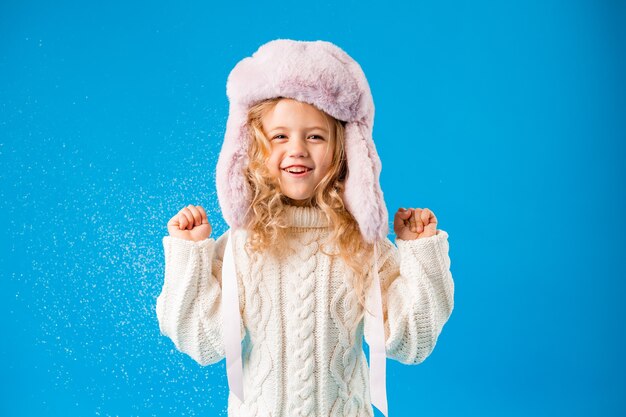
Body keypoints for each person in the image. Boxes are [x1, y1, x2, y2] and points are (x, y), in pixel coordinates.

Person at [156, 39, 454, 417]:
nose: (297, 149)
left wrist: (420, 252)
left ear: (344, 148)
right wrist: (189, 256)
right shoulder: (244, 245)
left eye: (314, 135)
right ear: (253, 148)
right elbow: (202, 341)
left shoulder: (362, 246)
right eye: (279, 136)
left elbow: (412, 340)